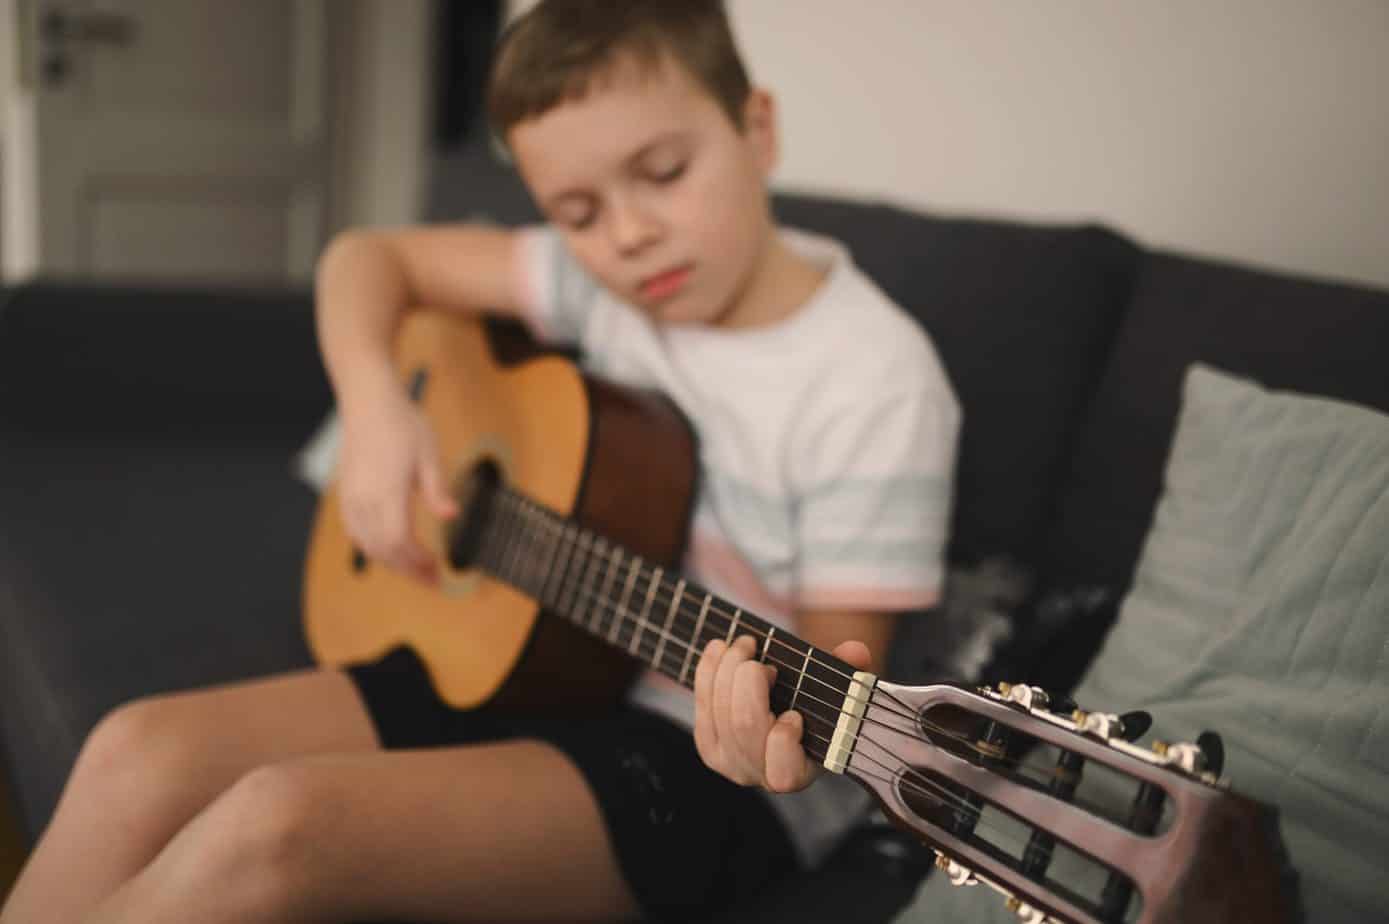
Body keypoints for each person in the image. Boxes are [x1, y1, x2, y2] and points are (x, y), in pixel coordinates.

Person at [0, 2, 958, 921]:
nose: (627, 235)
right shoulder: (602, 284)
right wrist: (376, 410)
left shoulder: (874, 382)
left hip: (708, 762)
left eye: (664, 172)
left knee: (273, 826)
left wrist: (768, 740)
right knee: (137, 748)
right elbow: (365, 259)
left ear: (757, 128)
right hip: (539, 649)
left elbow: (835, 702)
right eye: (576, 212)